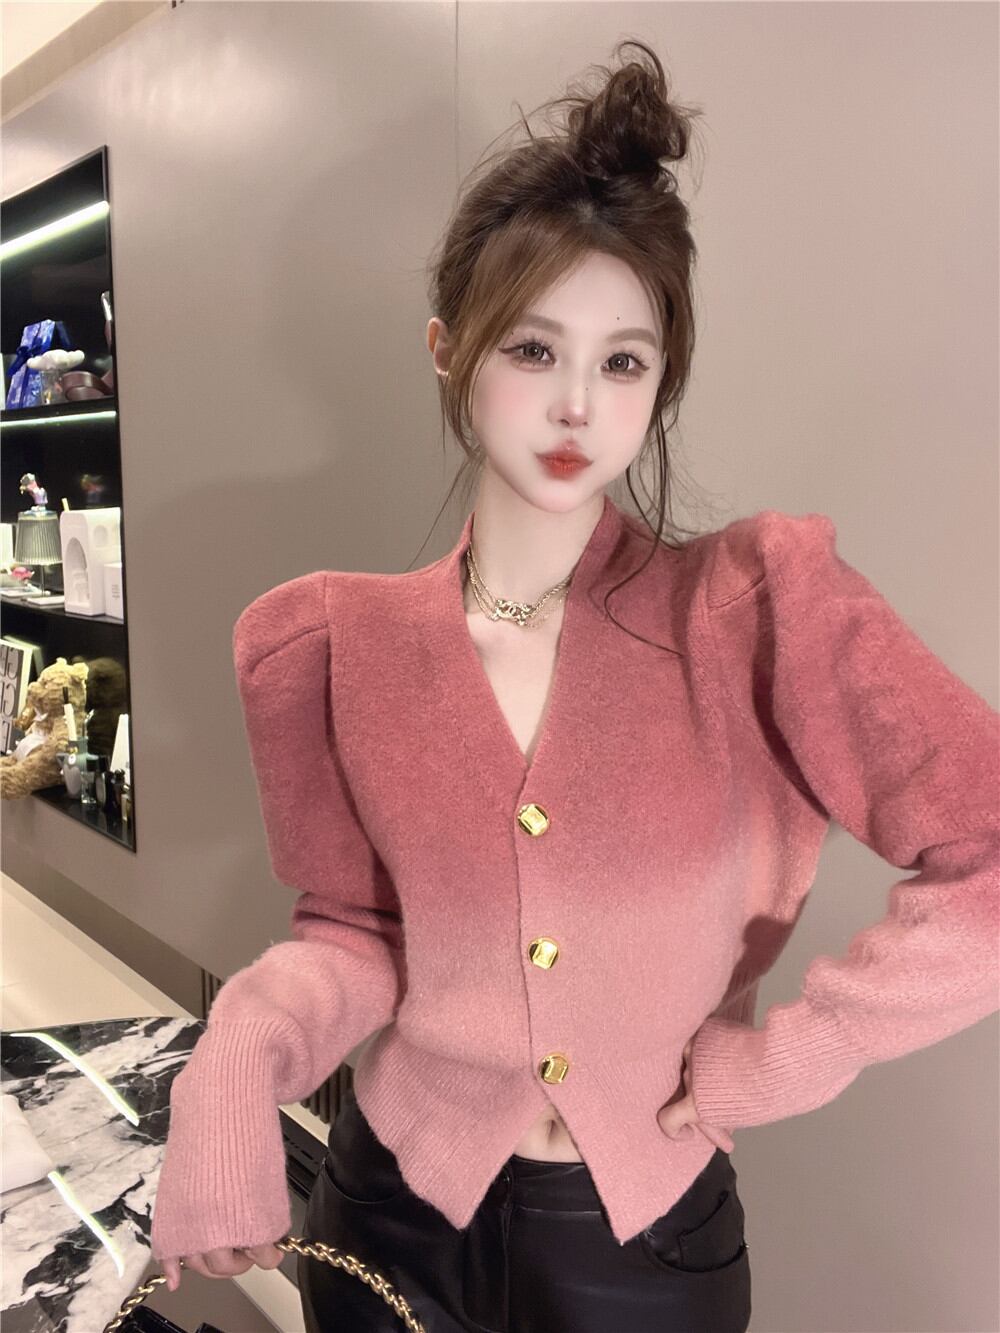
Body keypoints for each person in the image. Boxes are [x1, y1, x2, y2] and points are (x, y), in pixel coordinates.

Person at [149, 38, 999, 1333]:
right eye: (535, 349)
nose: (577, 407)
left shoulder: (756, 612)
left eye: (623, 362)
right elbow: (357, 934)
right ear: (449, 349)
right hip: (387, 1212)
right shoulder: (335, 644)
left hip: (640, 1249)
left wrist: (792, 1055)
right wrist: (235, 1060)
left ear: (661, 384)